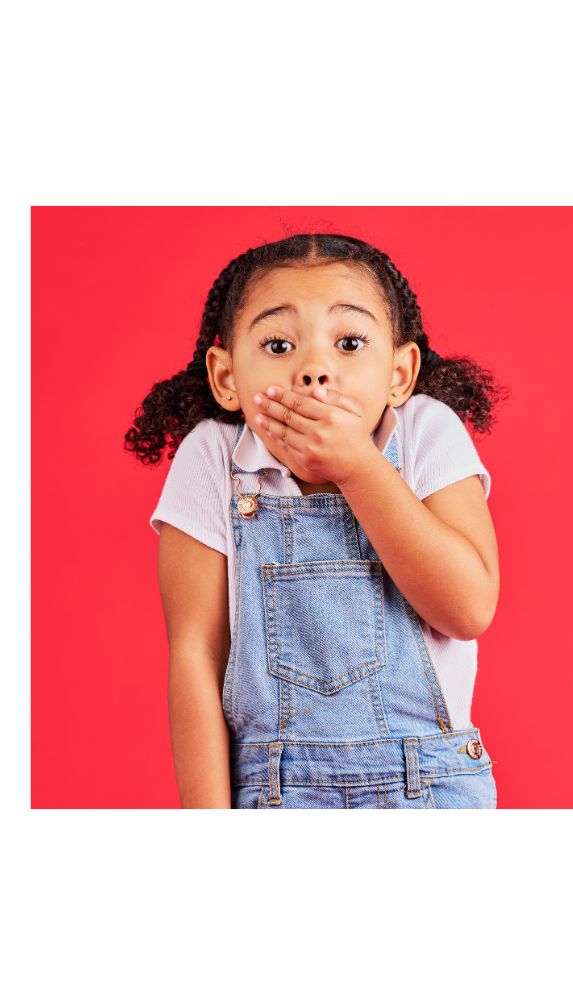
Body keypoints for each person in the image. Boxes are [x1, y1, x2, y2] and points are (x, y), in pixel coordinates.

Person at [129, 233, 503, 809]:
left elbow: (468, 608)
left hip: (428, 785)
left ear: (399, 373)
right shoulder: (213, 456)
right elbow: (195, 655)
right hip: (271, 790)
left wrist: (359, 467)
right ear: (227, 378)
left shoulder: (425, 432)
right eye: (279, 345)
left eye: (349, 342)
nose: (314, 370)